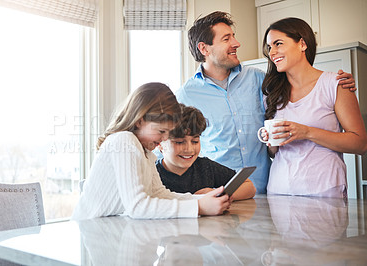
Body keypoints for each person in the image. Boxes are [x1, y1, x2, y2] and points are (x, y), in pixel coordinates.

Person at [175, 11, 356, 194]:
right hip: (221, 195)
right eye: (226, 39)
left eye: (234, 37)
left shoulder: (261, 80)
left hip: (266, 192)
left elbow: (305, 84)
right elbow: (169, 149)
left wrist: (336, 82)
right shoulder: (185, 96)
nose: (236, 43)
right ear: (204, 49)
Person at [71, 82, 231, 220]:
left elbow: (159, 193)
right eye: (161, 131)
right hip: (88, 234)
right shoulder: (124, 141)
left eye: (168, 133)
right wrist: (198, 207)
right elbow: (137, 206)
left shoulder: (145, 152)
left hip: (109, 232)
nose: (164, 138)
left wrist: (203, 199)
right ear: (140, 120)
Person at [260, 17, 367, 198]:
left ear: (302, 44)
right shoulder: (272, 93)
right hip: (279, 192)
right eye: (269, 47)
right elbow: (274, 152)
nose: (272, 52)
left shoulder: (335, 84)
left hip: (324, 190)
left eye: (278, 44)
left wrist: (307, 132)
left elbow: (360, 144)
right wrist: (271, 142)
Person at [157, 104, 256, 201]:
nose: (189, 149)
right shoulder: (152, 173)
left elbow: (249, 187)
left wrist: (219, 194)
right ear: (159, 143)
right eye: (179, 142)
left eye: (195, 141)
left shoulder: (205, 167)